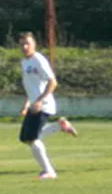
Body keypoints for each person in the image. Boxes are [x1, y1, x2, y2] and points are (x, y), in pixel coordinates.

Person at [17, 31, 78, 180]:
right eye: (22, 44)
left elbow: (53, 82)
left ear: (34, 45)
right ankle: (59, 126)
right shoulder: (24, 62)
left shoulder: (39, 60)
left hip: (43, 105)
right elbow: (29, 86)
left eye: (28, 44)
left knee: (32, 138)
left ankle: (49, 171)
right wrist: (26, 104)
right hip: (34, 105)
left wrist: (39, 100)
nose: (25, 47)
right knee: (25, 138)